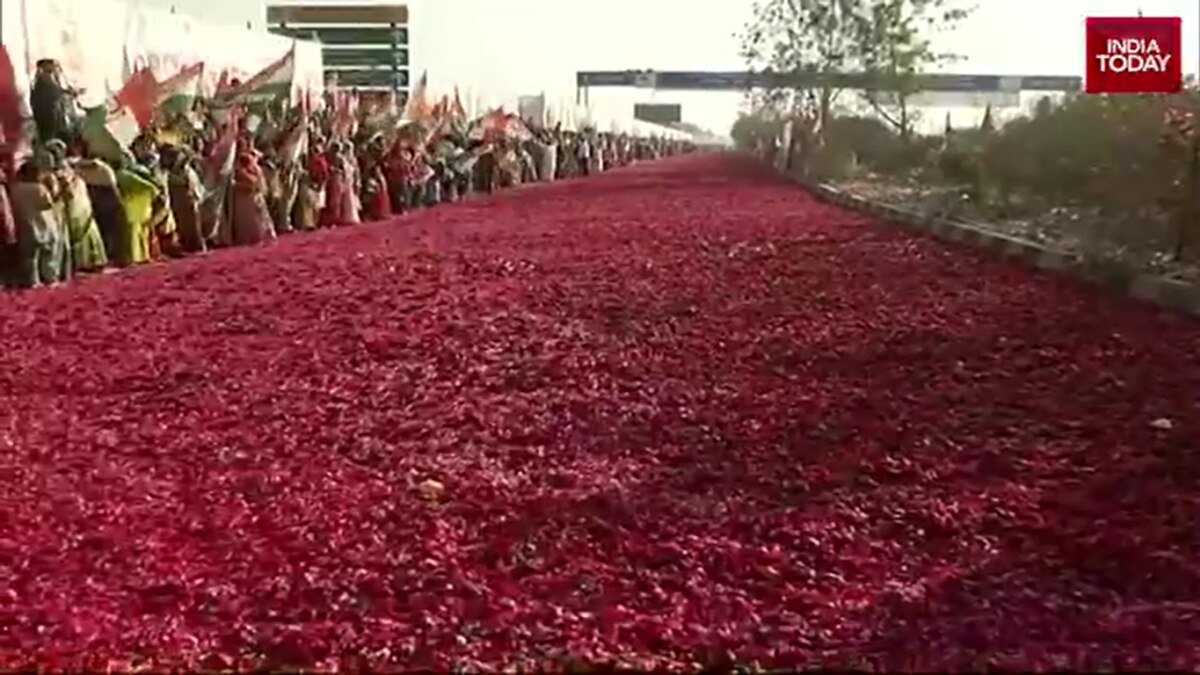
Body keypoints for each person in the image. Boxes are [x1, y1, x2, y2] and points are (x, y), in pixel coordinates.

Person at [10, 158, 65, 287]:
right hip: (42, 223)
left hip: (24, 223)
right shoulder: (39, 188)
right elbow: (48, 204)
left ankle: (33, 281)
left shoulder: (15, 188)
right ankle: (50, 278)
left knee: (30, 256)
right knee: (48, 254)